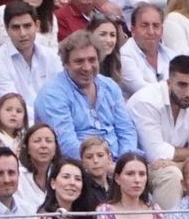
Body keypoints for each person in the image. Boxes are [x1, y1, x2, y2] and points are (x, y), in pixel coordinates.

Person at [125, 54, 189, 204]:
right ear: (169, 82)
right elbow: (155, 155)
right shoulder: (146, 101)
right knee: (171, 175)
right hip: (142, 168)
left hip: (175, 165)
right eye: (182, 85)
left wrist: (179, 162)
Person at [37, 30, 137, 163]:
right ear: (65, 64)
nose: (87, 67)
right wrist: (103, 165)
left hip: (118, 163)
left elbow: (127, 131)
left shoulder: (110, 86)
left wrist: (124, 164)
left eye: (92, 60)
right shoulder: (53, 94)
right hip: (78, 166)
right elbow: (65, 144)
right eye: (79, 61)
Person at [0, 0, 60, 107]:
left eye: (27, 26)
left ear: (37, 25)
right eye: (16, 27)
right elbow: (14, 108)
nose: (22, 33)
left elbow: (60, 96)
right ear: (6, 29)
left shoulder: (50, 57)